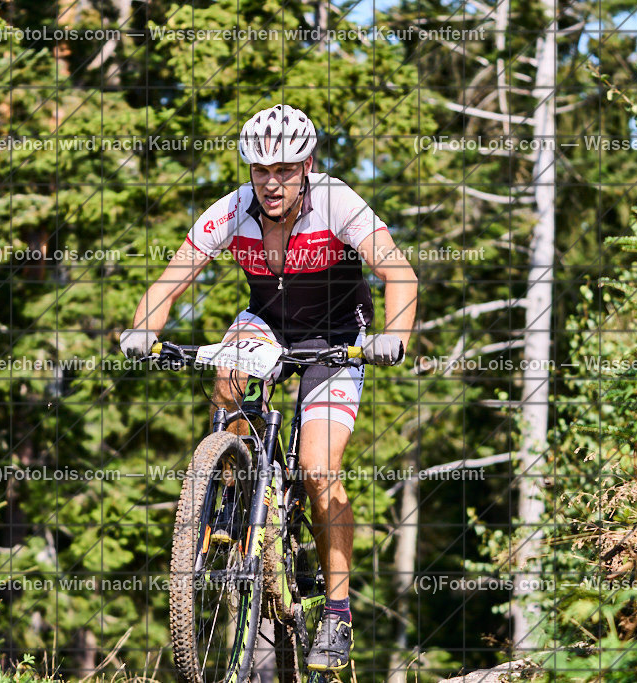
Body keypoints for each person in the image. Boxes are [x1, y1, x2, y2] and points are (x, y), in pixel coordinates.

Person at [122, 104, 417, 673]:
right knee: (227, 376)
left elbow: (398, 272)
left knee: (316, 464)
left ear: (306, 165)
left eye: (284, 169)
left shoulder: (336, 202)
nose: (272, 182)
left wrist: (394, 336)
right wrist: (144, 329)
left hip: (335, 335)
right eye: (262, 171)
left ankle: (336, 612)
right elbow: (171, 278)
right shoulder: (234, 209)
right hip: (266, 323)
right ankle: (226, 491)